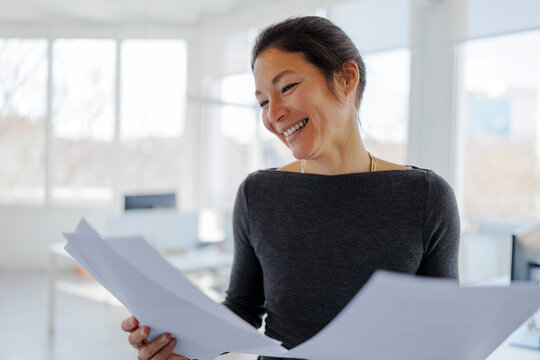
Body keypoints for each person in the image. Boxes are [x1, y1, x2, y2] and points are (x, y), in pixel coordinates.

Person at [121, 16, 460, 360]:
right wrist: (179, 340)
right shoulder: (259, 193)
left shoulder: (425, 197)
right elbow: (244, 306)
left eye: (286, 88)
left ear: (346, 78)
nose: (274, 115)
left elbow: (443, 329)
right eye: (263, 102)